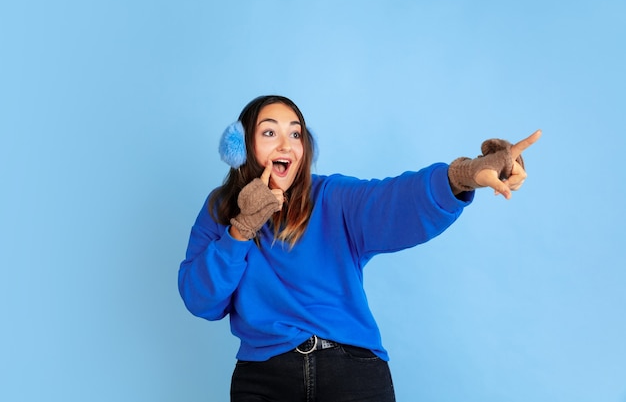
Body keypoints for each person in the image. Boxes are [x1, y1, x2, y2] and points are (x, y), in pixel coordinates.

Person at [178, 95, 541, 402]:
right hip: (263, 379)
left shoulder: (332, 198)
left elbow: (396, 199)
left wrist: (466, 174)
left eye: (295, 134)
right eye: (269, 132)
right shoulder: (221, 208)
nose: (286, 145)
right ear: (241, 147)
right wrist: (241, 229)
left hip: (350, 372)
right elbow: (201, 299)